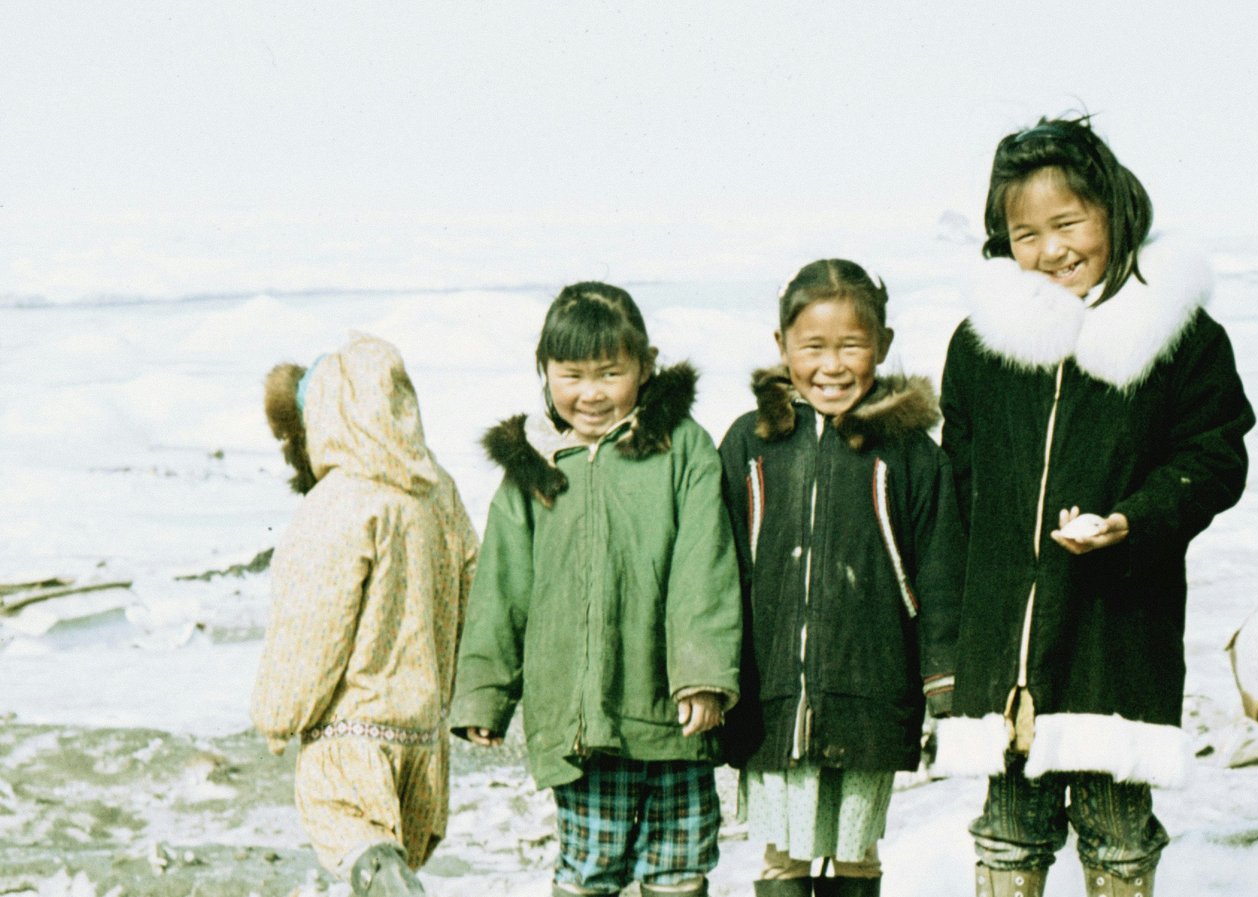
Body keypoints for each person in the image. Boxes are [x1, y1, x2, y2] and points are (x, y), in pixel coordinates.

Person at [933, 116, 1255, 897]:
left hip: (1116, 630)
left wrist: (1133, 518)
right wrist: (948, 650)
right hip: (1005, 646)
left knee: (1117, 833)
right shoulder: (984, 346)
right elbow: (958, 496)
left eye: (1068, 223)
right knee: (1008, 833)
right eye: (1025, 232)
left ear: (1113, 209)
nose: (1050, 250)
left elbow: (1215, 455)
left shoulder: (1178, 336)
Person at [450, 283, 742, 897]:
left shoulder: (681, 449)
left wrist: (704, 675)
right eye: (571, 374)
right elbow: (503, 588)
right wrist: (484, 692)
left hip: (672, 712)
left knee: (680, 861)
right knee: (591, 864)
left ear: (644, 366)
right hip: (584, 715)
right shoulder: (533, 468)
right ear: (545, 372)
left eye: (611, 373)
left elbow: (705, 566)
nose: (590, 393)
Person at [717, 259, 963, 897]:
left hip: (871, 689)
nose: (832, 365)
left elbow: (938, 572)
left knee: (856, 850)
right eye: (813, 347)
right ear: (782, 347)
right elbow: (718, 565)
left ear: (881, 344)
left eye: (852, 345)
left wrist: (943, 682)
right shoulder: (750, 445)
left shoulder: (911, 454)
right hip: (772, 689)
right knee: (781, 855)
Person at [254, 333, 479, 897]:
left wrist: (277, 713)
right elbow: (471, 588)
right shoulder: (437, 491)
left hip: (351, 733)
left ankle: (382, 871)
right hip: (422, 736)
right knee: (401, 850)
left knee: (356, 841)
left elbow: (311, 626)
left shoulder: (337, 502)